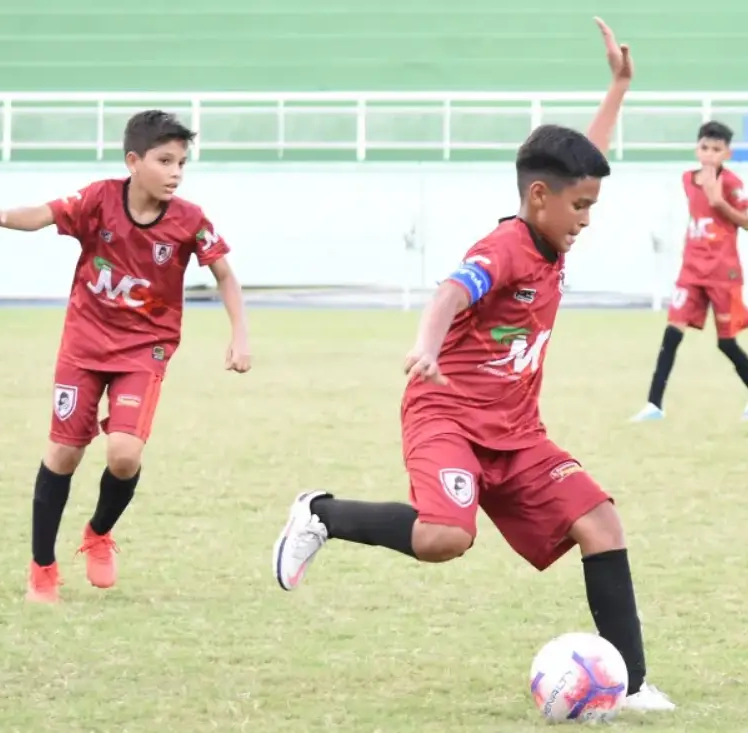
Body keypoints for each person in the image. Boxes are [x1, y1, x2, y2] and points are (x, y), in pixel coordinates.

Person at [271, 18, 674, 712]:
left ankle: (631, 683)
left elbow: (586, 162)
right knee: (444, 537)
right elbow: (452, 291)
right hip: (447, 416)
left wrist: (618, 88)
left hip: (517, 431)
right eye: (580, 207)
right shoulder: (506, 247)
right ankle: (322, 514)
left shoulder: (554, 229)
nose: (587, 219)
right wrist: (428, 345)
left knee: (601, 522)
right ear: (539, 197)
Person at [0, 110, 251, 604]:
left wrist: (240, 336)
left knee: (124, 456)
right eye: (164, 161)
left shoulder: (190, 219)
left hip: (145, 349)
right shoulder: (98, 200)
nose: (175, 172)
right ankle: (42, 568)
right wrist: (2, 216)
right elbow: (43, 214)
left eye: (182, 163)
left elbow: (225, 275)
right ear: (133, 161)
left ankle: (98, 533)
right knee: (65, 453)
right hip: (84, 345)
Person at [630, 121, 748, 422]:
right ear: (697, 149)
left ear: (727, 154)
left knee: (726, 342)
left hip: (723, 272)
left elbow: (746, 222)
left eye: (716, 149)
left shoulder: (731, 183)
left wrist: (718, 201)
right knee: (672, 334)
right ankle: (653, 405)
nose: (709, 154)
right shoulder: (687, 179)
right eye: (705, 148)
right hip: (692, 270)